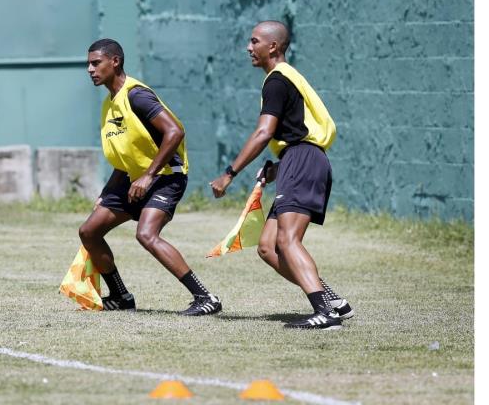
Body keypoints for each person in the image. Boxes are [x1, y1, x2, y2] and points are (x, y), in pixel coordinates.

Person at [209, 20, 353, 330]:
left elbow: (263, 133)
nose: (249, 47)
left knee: (287, 240)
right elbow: (294, 130)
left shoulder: (276, 80)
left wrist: (229, 173)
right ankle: (333, 302)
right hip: (298, 159)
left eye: (255, 41)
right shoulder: (287, 77)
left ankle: (324, 314)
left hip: (302, 159)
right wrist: (280, 165)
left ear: (273, 46)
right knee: (268, 245)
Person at [79, 38, 222, 316]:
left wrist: (148, 175)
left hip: (166, 175)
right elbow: (126, 157)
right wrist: (106, 192)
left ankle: (205, 297)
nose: (90, 69)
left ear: (115, 61)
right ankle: (120, 296)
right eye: (88, 64)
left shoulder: (137, 95)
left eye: (96, 63)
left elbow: (174, 132)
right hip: (134, 178)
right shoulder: (110, 104)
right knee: (89, 231)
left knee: (146, 234)